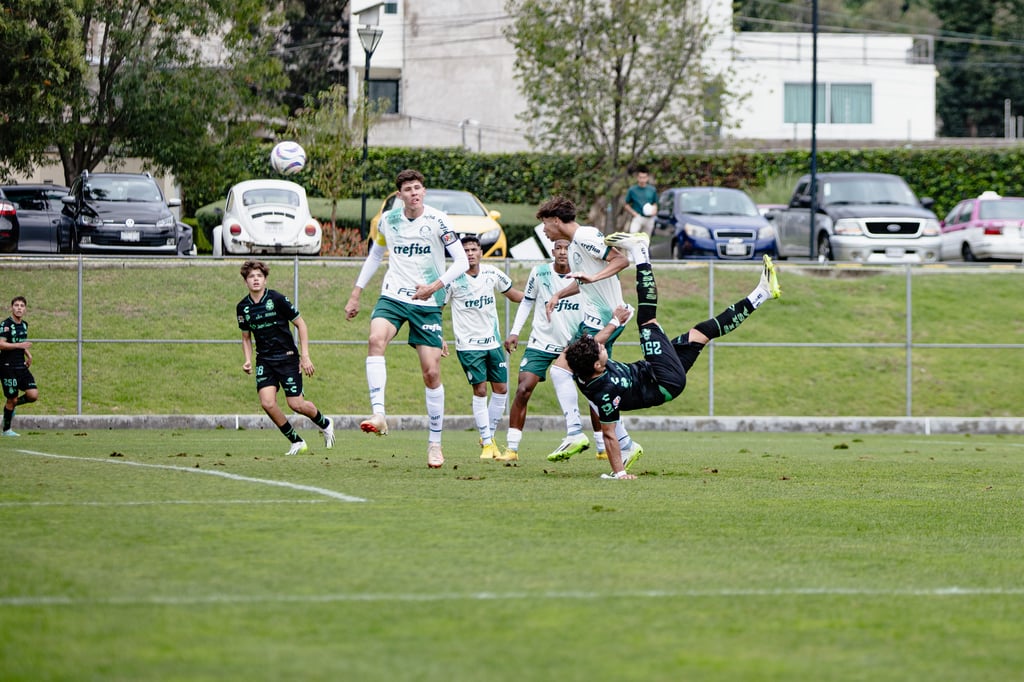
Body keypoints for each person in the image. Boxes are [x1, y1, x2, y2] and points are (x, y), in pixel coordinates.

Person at [565, 233, 782, 479]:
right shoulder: (603, 393)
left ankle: (762, 293)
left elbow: (593, 344)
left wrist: (614, 321)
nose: (604, 348)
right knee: (646, 319)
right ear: (597, 366)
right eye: (601, 352)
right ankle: (640, 252)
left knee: (701, 333)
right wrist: (620, 473)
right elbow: (608, 434)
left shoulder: (583, 365)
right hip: (663, 380)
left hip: (654, 372)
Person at [345, 169, 469, 469]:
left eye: (418, 188)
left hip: (427, 301)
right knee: (375, 340)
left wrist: (433, 287)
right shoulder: (389, 219)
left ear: (423, 192)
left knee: (431, 373)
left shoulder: (438, 221)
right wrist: (356, 293)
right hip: (393, 295)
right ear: (399, 195)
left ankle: (435, 443)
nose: (414, 192)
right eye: (408, 189)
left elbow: (462, 261)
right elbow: (376, 256)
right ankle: (379, 414)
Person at [536, 196, 643, 467]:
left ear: (557, 221)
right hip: (599, 318)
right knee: (591, 383)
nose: (545, 231)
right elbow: (585, 281)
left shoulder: (584, 236)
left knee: (561, 369)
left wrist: (593, 278)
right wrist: (559, 293)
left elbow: (621, 261)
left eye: (546, 225)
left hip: (605, 318)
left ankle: (574, 433)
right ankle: (626, 444)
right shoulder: (575, 245)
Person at [498, 238, 585, 462]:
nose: (563, 252)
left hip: (573, 345)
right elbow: (527, 301)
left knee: (594, 391)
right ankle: (512, 448)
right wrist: (515, 332)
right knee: (523, 388)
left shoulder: (582, 274)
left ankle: (602, 446)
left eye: (567, 248)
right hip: (541, 342)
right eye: (559, 248)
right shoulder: (539, 273)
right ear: (552, 250)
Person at [236, 260, 334, 455]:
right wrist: (247, 359)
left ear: (265, 280)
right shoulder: (242, 308)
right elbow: (246, 337)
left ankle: (325, 423)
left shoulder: (277, 299)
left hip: (287, 357)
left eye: (259, 276)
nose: (255, 280)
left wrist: (305, 357)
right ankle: (296, 441)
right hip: (265, 360)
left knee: (296, 404)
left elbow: (301, 324)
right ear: (246, 281)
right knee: (267, 403)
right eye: (251, 277)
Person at [445, 235, 524, 459]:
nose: (470, 253)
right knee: (480, 390)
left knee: (501, 390)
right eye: (466, 250)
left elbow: (515, 295)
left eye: (473, 249)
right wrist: (439, 337)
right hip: (468, 345)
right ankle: (488, 443)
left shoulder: (492, 273)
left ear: (481, 252)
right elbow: (437, 307)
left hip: (493, 342)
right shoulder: (453, 278)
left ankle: (486, 436)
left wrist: (541, 296)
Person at [0, 296, 38, 437]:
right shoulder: (6, 325)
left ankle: (11, 407)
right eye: (16, 305)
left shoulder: (24, 324)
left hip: (21, 365)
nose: (19, 308)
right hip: (7, 366)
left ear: (25, 309)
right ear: (12, 307)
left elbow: (20, 342)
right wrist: (19, 346)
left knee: (33, 395)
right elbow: (1, 344)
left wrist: (28, 354)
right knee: (12, 398)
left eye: (22, 305)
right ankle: (6, 430)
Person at [624, 167, 658, 236]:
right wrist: (634, 213)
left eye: (644, 177)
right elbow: (626, 204)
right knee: (633, 235)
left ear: (647, 178)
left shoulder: (652, 190)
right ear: (637, 178)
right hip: (638, 217)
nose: (642, 179)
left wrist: (654, 210)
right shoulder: (632, 190)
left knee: (646, 239)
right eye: (640, 177)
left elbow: (655, 203)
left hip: (649, 218)